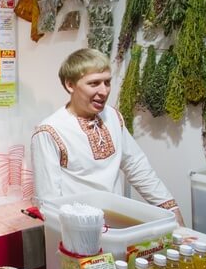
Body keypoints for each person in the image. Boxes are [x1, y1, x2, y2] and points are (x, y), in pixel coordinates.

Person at [31, 48, 184, 226]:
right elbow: (48, 203)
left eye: (107, 82)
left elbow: (136, 165)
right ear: (70, 85)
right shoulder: (49, 131)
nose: (104, 91)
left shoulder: (112, 116)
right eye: (94, 83)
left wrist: (171, 210)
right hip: (77, 230)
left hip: (116, 222)